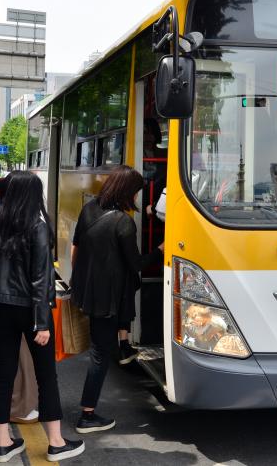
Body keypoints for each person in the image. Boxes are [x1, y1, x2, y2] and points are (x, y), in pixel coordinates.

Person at [0, 171, 85, 463]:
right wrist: (42, 323)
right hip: (31, 310)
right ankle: (56, 442)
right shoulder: (37, 226)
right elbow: (41, 278)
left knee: (4, 374)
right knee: (46, 376)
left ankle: (4, 444)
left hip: (0, 308)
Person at [70, 165, 163, 434]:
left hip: (88, 292)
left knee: (99, 351)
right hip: (107, 300)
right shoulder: (123, 223)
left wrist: (78, 283)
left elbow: (76, 248)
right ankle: (87, 415)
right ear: (127, 192)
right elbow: (137, 264)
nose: (136, 197)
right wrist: (160, 250)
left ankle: (124, 347)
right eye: (135, 192)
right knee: (99, 355)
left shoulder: (89, 209)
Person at [0, 176, 39, 424]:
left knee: (0, 361)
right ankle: (20, 407)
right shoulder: (31, 224)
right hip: (20, 303)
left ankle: (4, 424)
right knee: (22, 359)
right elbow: (38, 274)